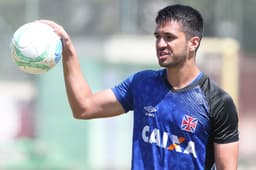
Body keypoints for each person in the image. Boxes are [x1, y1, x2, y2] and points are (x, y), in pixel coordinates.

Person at [41, 4, 239, 170]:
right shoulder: (142, 84)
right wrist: (68, 50)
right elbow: (84, 107)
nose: (160, 44)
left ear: (193, 43)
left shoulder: (217, 102)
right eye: (157, 37)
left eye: (169, 37)